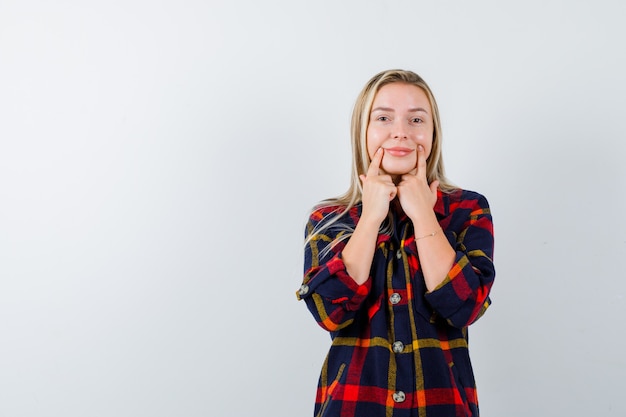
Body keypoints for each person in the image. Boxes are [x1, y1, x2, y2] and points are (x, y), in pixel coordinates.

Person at [296, 69, 495, 417]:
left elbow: (465, 307)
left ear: (433, 133)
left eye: (416, 119)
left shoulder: (468, 208)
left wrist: (423, 216)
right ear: (364, 131)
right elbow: (330, 312)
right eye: (384, 117)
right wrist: (371, 217)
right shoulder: (328, 218)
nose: (400, 131)